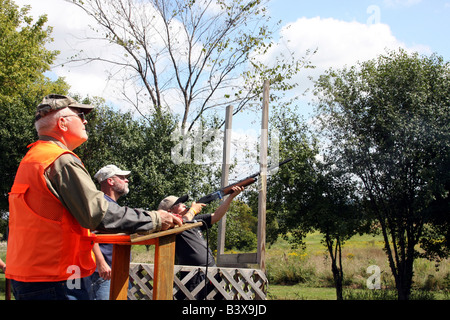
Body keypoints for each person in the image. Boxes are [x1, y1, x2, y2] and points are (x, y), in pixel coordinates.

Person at [6, 94, 182, 300]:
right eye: (80, 115)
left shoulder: (33, 159)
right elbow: (99, 214)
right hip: (58, 279)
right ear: (62, 123)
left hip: (29, 277)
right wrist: (156, 219)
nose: (85, 121)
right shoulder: (61, 161)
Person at [158, 186, 244, 299]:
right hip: (193, 275)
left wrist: (230, 197)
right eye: (179, 204)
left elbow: (216, 216)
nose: (184, 205)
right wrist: (192, 211)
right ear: (169, 211)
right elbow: (180, 225)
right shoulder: (171, 226)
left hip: (211, 271)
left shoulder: (194, 220)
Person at [89, 164, 132, 300]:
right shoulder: (101, 205)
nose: (127, 180)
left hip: (117, 271)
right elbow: (89, 233)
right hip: (103, 273)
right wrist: (101, 263)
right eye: (122, 177)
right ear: (110, 181)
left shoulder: (112, 205)